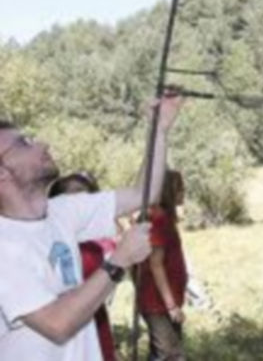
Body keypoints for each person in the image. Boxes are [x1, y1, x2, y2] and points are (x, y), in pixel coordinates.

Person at [0, 92, 183, 360]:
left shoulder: (62, 210)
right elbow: (57, 324)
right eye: (24, 143)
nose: (42, 144)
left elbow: (142, 193)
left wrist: (159, 129)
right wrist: (118, 261)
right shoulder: (5, 245)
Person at [49, 172, 119, 361]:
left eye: (88, 194)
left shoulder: (95, 246)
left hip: (96, 319)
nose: (83, 198)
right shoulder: (51, 241)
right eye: (76, 192)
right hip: (65, 322)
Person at [137, 170, 189, 360]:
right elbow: (155, 264)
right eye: (179, 189)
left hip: (166, 299)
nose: (183, 193)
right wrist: (171, 306)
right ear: (167, 190)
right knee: (170, 354)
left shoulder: (165, 217)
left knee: (162, 352)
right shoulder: (158, 218)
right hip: (157, 302)